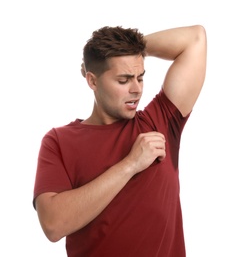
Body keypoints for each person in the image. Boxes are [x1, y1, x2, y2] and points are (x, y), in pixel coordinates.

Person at [33, 24, 207, 257]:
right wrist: (130, 164)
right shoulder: (58, 141)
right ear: (92, 81)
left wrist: (131, 47)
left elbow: (195, 39)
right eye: (124, 80)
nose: (136, 89)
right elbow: (53, 225)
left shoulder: (159, 121)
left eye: (140, 78)